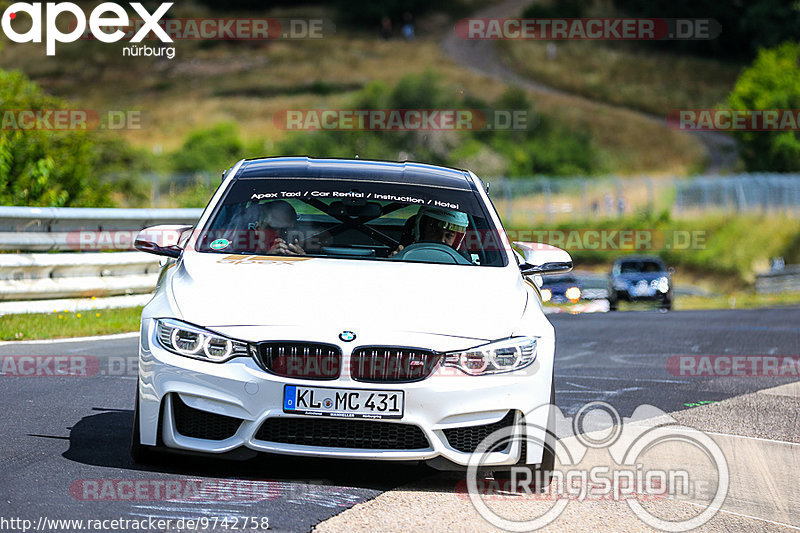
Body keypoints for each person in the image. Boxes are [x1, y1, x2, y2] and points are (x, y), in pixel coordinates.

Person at [391, 206, 469, 257]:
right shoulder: (403, 256)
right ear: (422, 229)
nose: (441, 240)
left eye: (448, 236)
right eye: (436, 232)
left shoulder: (465, 266)